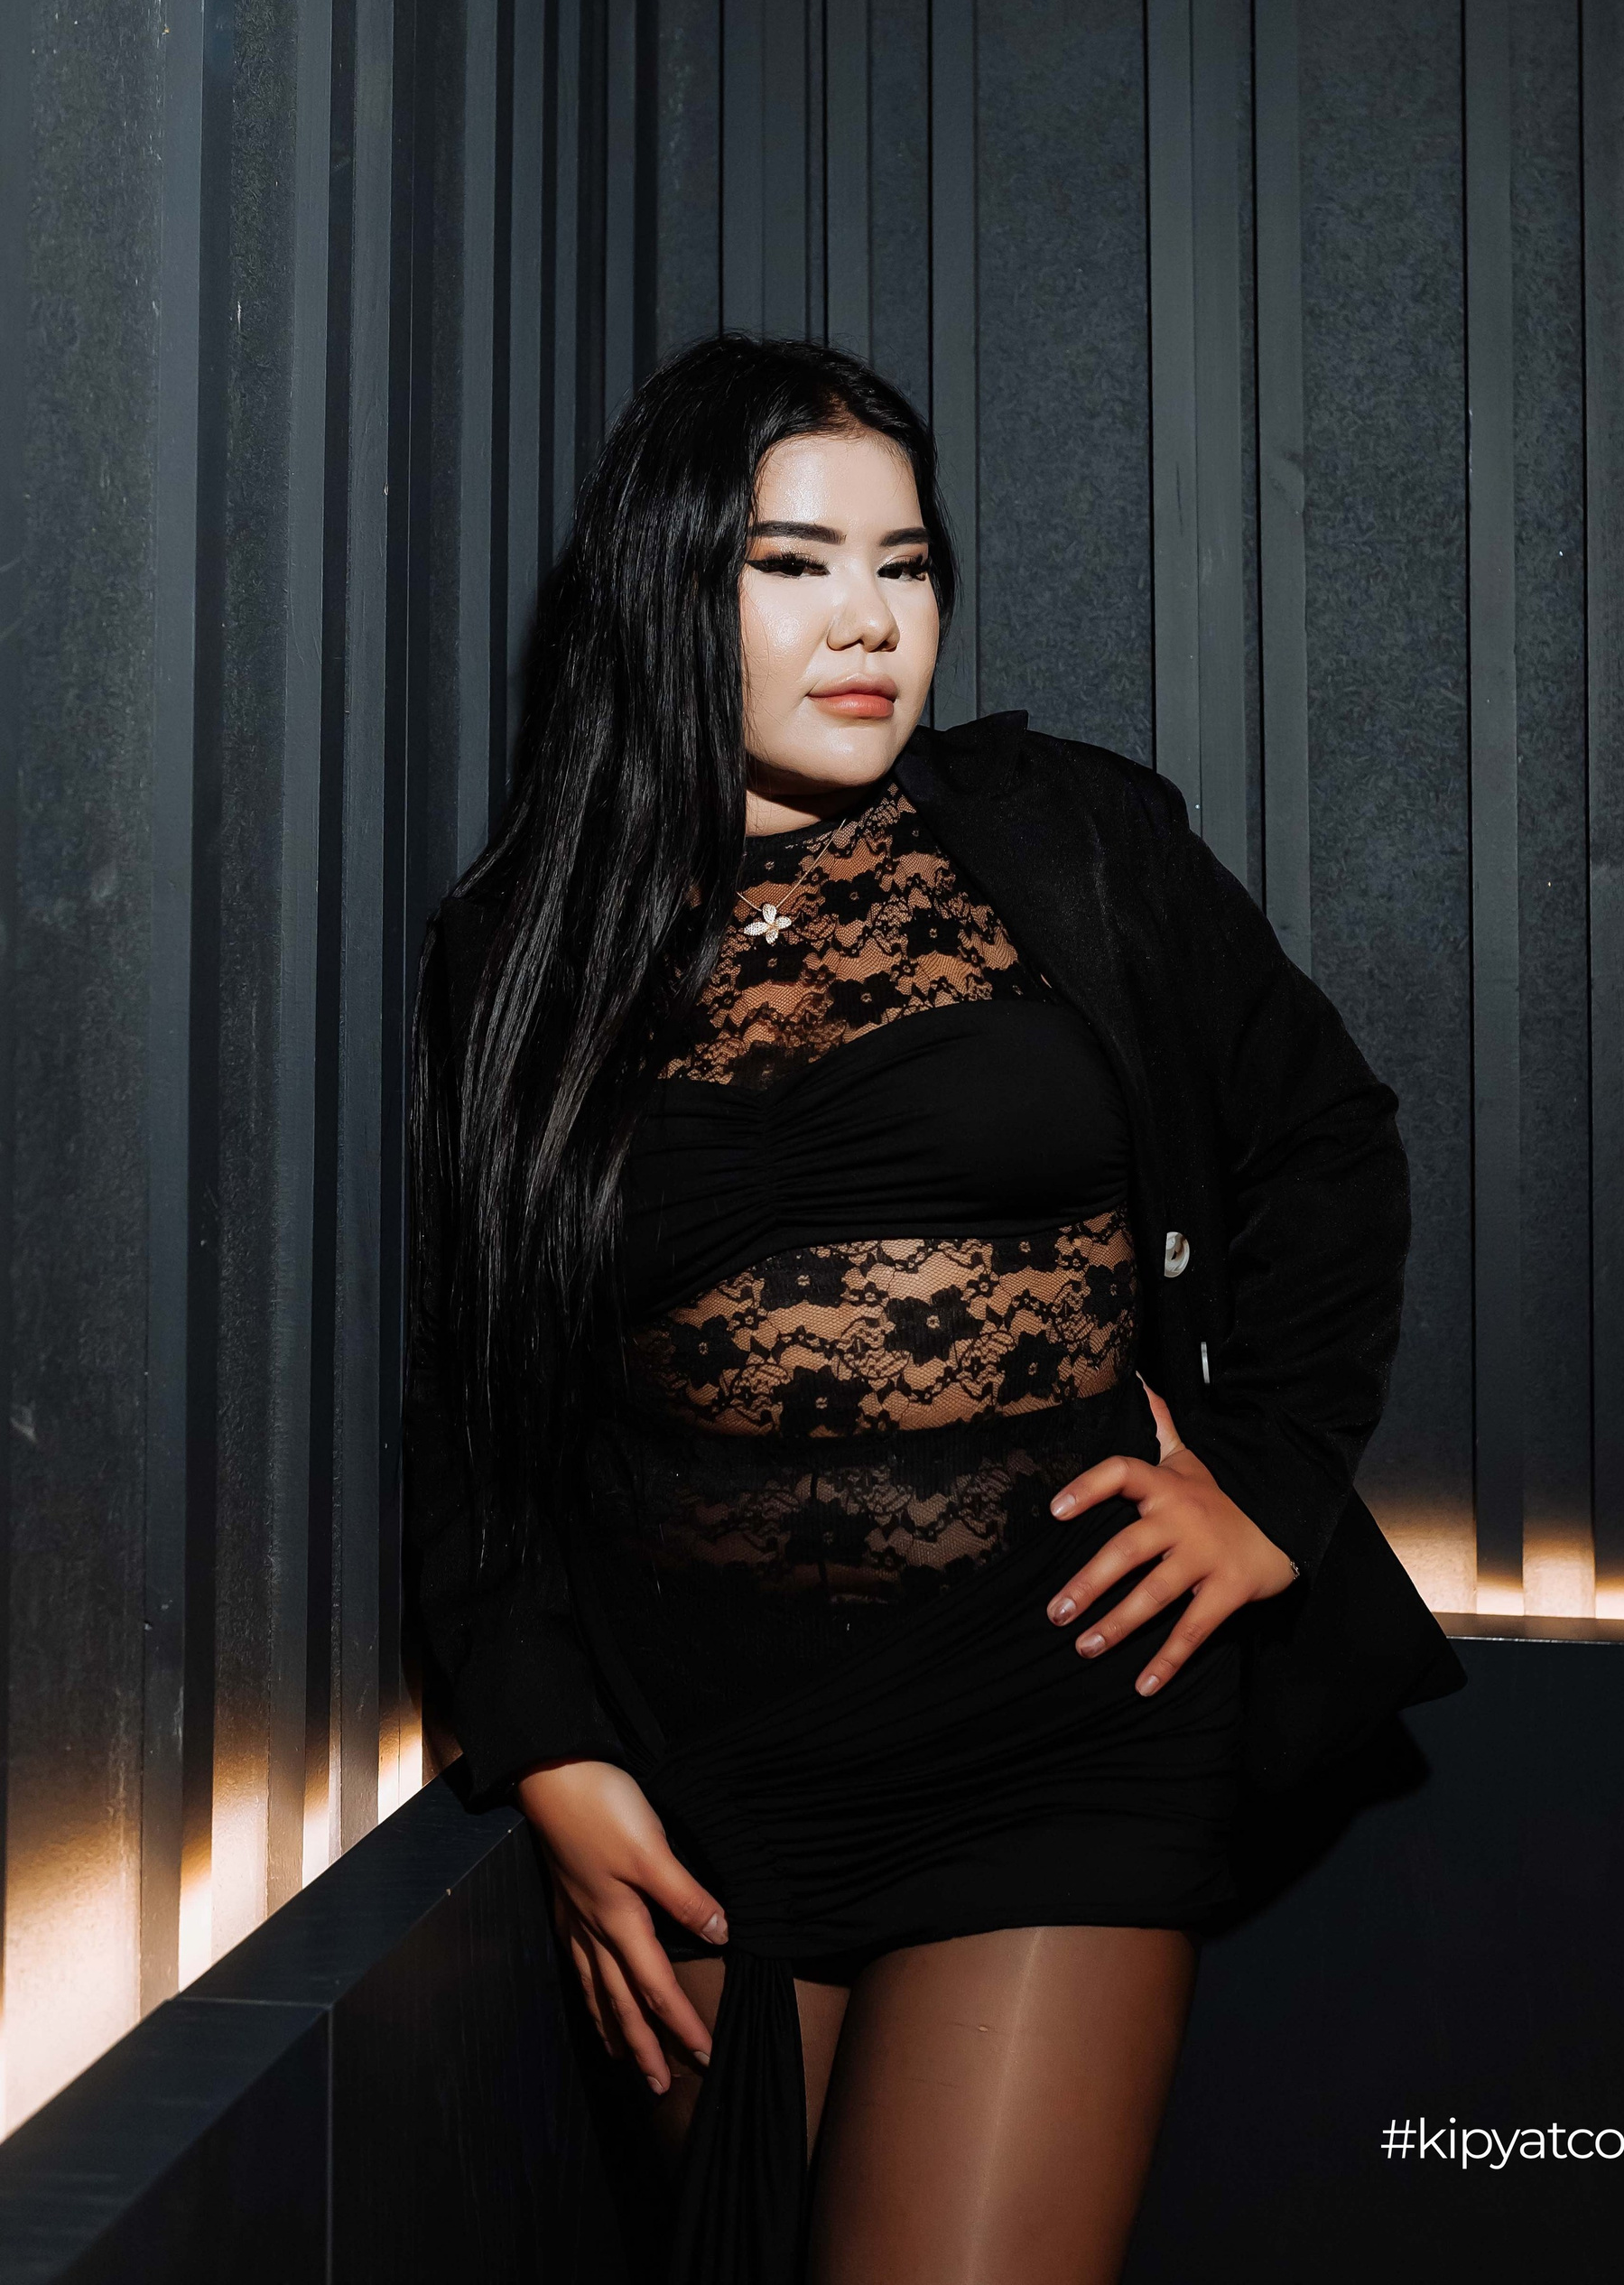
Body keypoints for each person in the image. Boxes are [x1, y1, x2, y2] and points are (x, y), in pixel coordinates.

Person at [403, 334, 1464, 2285]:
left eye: (905, 563)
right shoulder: (521, 944)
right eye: (794, 564)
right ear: (664, 586)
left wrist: (1268, 1475)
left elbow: (1326, 1141)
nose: (871, 622)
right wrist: (545, 1748)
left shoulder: (1068, 837)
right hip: (704, 1762)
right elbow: (480, 1396)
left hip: (1058, 1714)